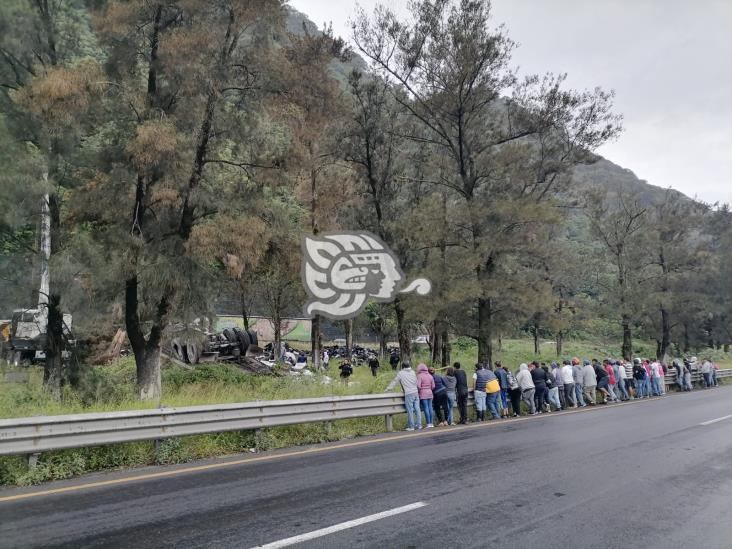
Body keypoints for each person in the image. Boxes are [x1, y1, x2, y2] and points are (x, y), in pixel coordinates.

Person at [386, 362, 421, 431]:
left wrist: (388, 388)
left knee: (410, 410)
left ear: (402, 367)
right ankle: (419, 425)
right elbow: (415, 382)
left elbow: (395, 381)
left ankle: (411, 426)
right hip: (416, 392)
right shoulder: (413, 372)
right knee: (417, 409)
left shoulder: (401, 373)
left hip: (409, 393)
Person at [416, 363, 435, 428]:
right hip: (430, 393)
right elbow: (433, 386)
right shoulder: (430, 376)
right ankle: (431, 423)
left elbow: (418, 386)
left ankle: (428, 423)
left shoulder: (419, 376)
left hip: (423, 393)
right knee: (430, 408)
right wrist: (429, 389)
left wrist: (420, 390)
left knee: (426, 408)